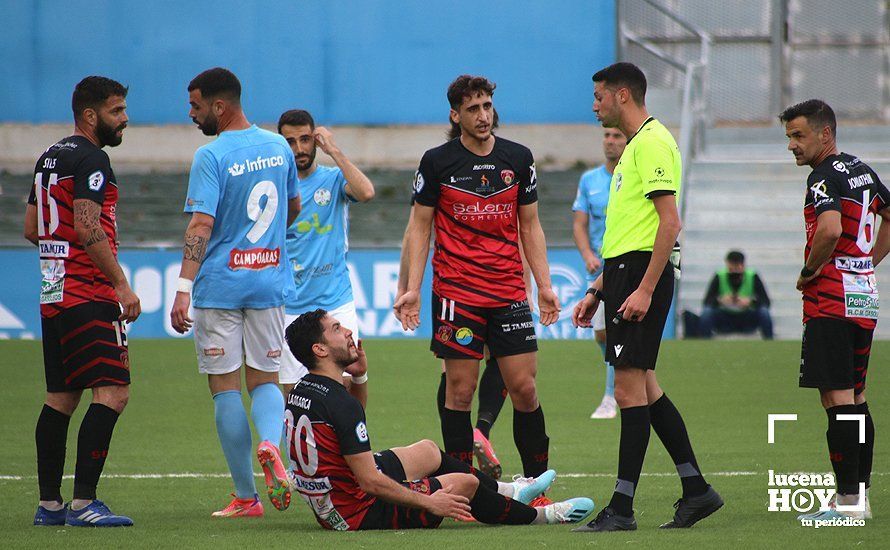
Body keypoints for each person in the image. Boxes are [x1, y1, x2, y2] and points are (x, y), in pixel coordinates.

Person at [394, 75, 560, 505]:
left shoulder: (518, 158)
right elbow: (419, 226)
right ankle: (463, 489)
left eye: (487, 106)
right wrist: (411, 288)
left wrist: (544, 286)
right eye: (473, 109)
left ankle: (537, 486)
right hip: (456, 293)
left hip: (508, 292)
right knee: (460, 391)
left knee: (524, 388)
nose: (483, 115)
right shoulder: (436, 162)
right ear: (456, 115)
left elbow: (530, 224)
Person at [572, 62, 722, 532]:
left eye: (598, 96)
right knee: (646, 387)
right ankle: (696, 490)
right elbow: (626, 229)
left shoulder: (653, 141)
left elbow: (669, 223)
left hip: (640, 274)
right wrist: (599, 289)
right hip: (621, 274)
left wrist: (644, 288)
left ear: (622, 95)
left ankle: (622, 508)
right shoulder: (635, 148)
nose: (594, 105)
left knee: (627, 389)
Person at [282, 309, 595, 530]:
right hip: (356, 512)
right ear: (320, 348)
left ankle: (510, 492)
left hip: (335, 497)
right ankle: (544, 515)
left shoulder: (304, 388)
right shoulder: (337, 402)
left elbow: (350, 425)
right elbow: (369, 482)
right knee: (465, 483)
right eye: (337, 329)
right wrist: (429, 502)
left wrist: (360, 376)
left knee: (429, 450)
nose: (349, 331)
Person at [169, 67, 301, 518]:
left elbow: (201, 224)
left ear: (219, 107)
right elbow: (293, 206)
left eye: (196, 105)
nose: (191, 114)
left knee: (225, 388)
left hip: (220, 286)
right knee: (265, 379)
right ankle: (270, 442)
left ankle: (247, 498)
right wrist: (265, 250)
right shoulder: (279, 146)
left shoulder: (211, 155)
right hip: (268, 283)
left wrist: (183, 288)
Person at [27, 76, 140, 527]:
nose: (125, 119)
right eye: (117, 111)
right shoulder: (93, 159)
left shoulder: (47, 158)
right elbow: (89, 226)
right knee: (113, 392)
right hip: (88, 292)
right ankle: (83, 504)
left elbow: (32, 227)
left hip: (53, 293)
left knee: (60, 397)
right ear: (90, 116)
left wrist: (62, 249)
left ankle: (49, 505)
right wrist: (120, 285)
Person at [780, 99, 889, 522]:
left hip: (831, 301)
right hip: (862, 297)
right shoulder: (860, 169)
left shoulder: (823, 179)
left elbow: (829, 228)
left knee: (837, 399)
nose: (792, 145)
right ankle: (859, 496)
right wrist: (866, 262)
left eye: (799, 135)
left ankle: (846, 502)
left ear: (826, 134)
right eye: (789, 136)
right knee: (857, 398)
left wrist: (810, 271)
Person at [276, 109, 375, 406]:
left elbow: (367, 192)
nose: (299, 148)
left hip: (335, 302)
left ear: (315, 141)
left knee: (344, 385)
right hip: (288, 307)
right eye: (290, 142)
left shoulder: (332, 180)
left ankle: (352, 446)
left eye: (306, 139)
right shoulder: (277, 188)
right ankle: (303, 452)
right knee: (294, 396)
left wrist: (334, 150)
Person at [572, 127, 626, 419]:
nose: (610, 141)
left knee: (616, 333)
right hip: (598, 271)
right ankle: (621, 378)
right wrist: (587, 255)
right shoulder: (589, 180)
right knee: (602, 336)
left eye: (617, 136)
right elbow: (580, 223)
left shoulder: (632, 177)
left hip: (624, 267)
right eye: (606, 135)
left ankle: (610, 397)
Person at [699, 250, 773, 339]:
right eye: (731, 267)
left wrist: (750, 301)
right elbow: (707, 301)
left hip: (746, 317)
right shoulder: (719, 276)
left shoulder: (752, 276)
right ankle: (704, 341)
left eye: (737, 266)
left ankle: (769, 341)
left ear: (742, 265)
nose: (734, 271)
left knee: (764, 312)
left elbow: (766, 301)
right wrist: (721, 300)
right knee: (707, 312)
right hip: (725, 317)